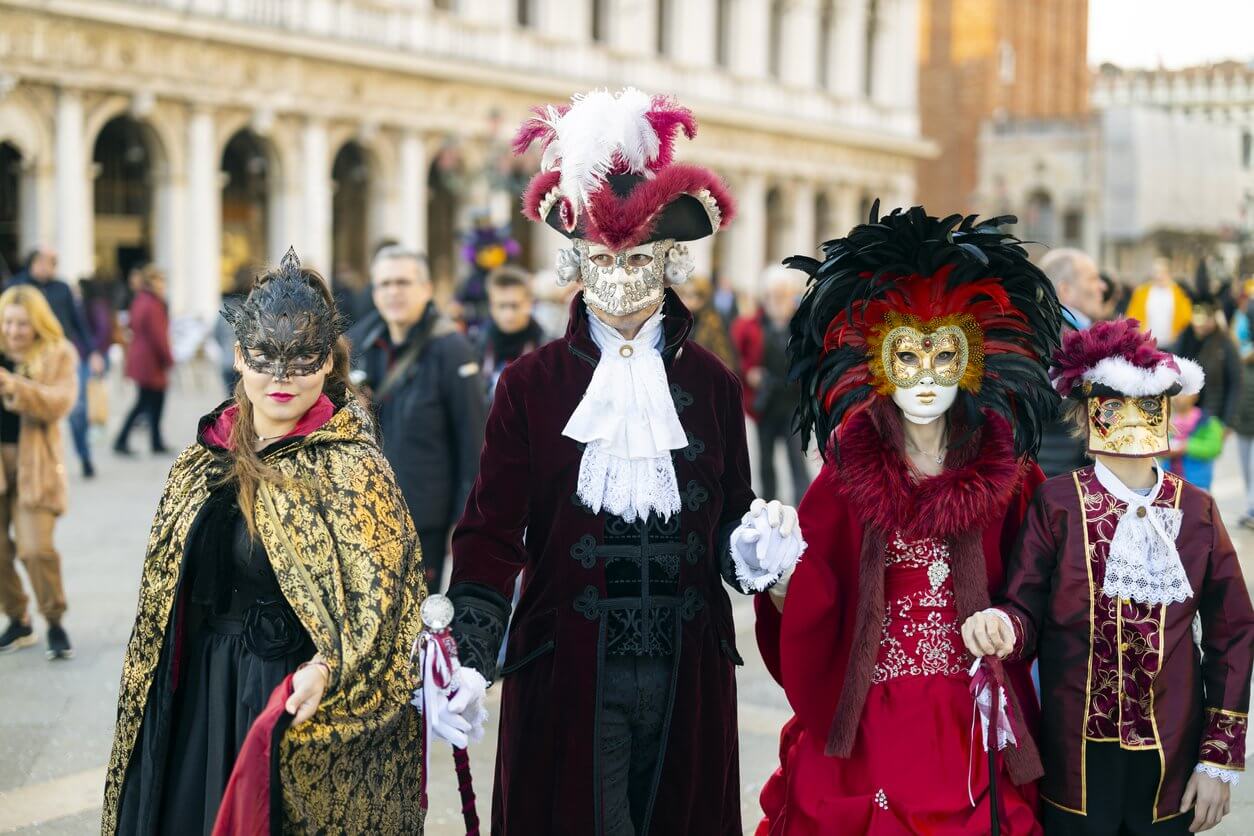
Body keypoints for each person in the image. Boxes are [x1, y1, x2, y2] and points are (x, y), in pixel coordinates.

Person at [443, 88, 804, 836]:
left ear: (670, 259)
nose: (620, 276)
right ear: (576, 259)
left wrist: (757, 550)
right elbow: (489, 532)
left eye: (639, 257)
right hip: (570, 673)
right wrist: (471, 657)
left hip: (687, 674)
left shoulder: (710, 381)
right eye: (604, 258)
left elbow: (727, 517)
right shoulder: (531, 384)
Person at [755, 204, 1065, 835]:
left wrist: (1009, 622)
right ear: (877, 362)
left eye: (944, 356)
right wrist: (780, 577)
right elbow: (816, 586)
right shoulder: (847, 468)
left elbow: (1041, 586)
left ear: (975, 361)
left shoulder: (1011, 470)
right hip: (870, 707)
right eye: (907, 357)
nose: (925, 378)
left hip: (971, 712)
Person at [102, 249, 428, 836]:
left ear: (328, 362)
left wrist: (329, 668)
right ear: (237, 357)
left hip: (292, 696)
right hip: (202, 692)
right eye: (264, 358)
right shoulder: (201, 458)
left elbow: (386, 606)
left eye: (301, 358)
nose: (280, 378)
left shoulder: (354, 468)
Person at [964, 319, 1254, 835]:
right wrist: (1004, 627)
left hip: (1172, 761)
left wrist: (1218, 759)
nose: (1131, 424)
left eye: (1146, 408)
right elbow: (1024, 606)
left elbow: (1233, 632)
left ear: (1167, 415)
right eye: (1112, 408)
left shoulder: (1199, 511)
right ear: (1086, 416)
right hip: (1074, 763)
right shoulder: (1056, 503)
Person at [347, 244, 486, 589]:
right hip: (364, 512)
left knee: (417, 620)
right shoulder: (359, 346)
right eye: (385, 284)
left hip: (424, 518)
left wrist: (467, 520)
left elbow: (472, 439)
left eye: (403, 283)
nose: (394, 292)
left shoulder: (451, 348)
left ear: (426, 289)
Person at [0, 287, 78, 659]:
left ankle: (55, 620)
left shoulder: (57, 354)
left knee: (36, 549)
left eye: (22, 324)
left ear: (37, 324)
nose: (14, 331)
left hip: (36, 467)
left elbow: (60, 401)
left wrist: (16, 387)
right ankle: (18, 618)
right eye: (8, 323)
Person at [9, 246, 103, 477]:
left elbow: (78, 321)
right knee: (28, 407)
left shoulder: (62, 288)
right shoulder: (17, 288)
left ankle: (84, 456)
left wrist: (93, 352)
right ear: (33, 262)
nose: (48, 266)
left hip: (62, 355)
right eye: (44, 261)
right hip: (27, 357)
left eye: (52, 262)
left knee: (77, 409)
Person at [732, 265, 810, 504]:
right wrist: (750, 373)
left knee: (796, 461)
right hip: (764, 404)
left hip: (793, 404)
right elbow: (737, 359)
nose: (779, 301)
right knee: (765, 462)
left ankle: (805, 507)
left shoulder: (802, 326)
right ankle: (768, 508)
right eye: (774, 295)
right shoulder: (750, 325)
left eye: (785, 295)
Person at [1037, 248, 1104, 478]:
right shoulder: (1059, 339)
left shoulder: (1071, 333)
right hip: (1060, 479)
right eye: (1093, 279)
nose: (1102, 287)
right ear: (1065, 290)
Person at [114, 265, 173, 455]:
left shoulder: (140, 299)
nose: (163, 285)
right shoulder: (154, 304)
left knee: (149, 401)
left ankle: (155, 441)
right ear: (151, 282)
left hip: (141, 356)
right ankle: (123, 440)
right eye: (160, 280)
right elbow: (159, 336)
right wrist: (168, 358)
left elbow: (131, 324)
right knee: (148, 402)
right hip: (151, 360)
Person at [1175, 264, 1241, 431]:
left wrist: (1228, 422)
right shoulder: (1184, 338)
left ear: (1213, 317)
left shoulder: (1225, 344)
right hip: (1182, 418)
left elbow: (1235, 384)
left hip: (1211, 420)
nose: (1200, 324)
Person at [477, 265, 546, 402]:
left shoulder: (546, 348)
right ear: (491, 305)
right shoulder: (478, 344)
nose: (508, 314)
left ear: (529, 303)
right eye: (501, 305)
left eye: (514, 305)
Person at [675, 274, 739, 373]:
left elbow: (726, 362)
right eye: (683, 294)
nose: (684, 300)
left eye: (690, 295)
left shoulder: (714, 324)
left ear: (703, 299)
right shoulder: (681, 320)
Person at [1164, 389, 1225, 490]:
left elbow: (1215, 447)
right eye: (1175, 394)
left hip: (1198, 482)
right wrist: (1164, 451)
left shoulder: (1207, 421)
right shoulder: (1166, 421)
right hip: (1170, 482)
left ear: (1195, 395)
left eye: (1183, 394)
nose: (1178, 398)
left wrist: (1187, 446)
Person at [1126, 257, 1193, 348]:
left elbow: (1186, 317)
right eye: (1156, 272)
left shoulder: (1179, 293)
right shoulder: (1142, 292)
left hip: (1172, 344)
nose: (1159, 276)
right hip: (1146, 343)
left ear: (1169, 273)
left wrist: (1178, 335)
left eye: (1163, 272)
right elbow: (1132, 315)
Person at [1234, 293, 1254, 529]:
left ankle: (1252, 508)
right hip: (1243, 417)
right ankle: (1250, 507)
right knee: (1246, 467)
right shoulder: (1239, 352)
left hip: (1246, 415)